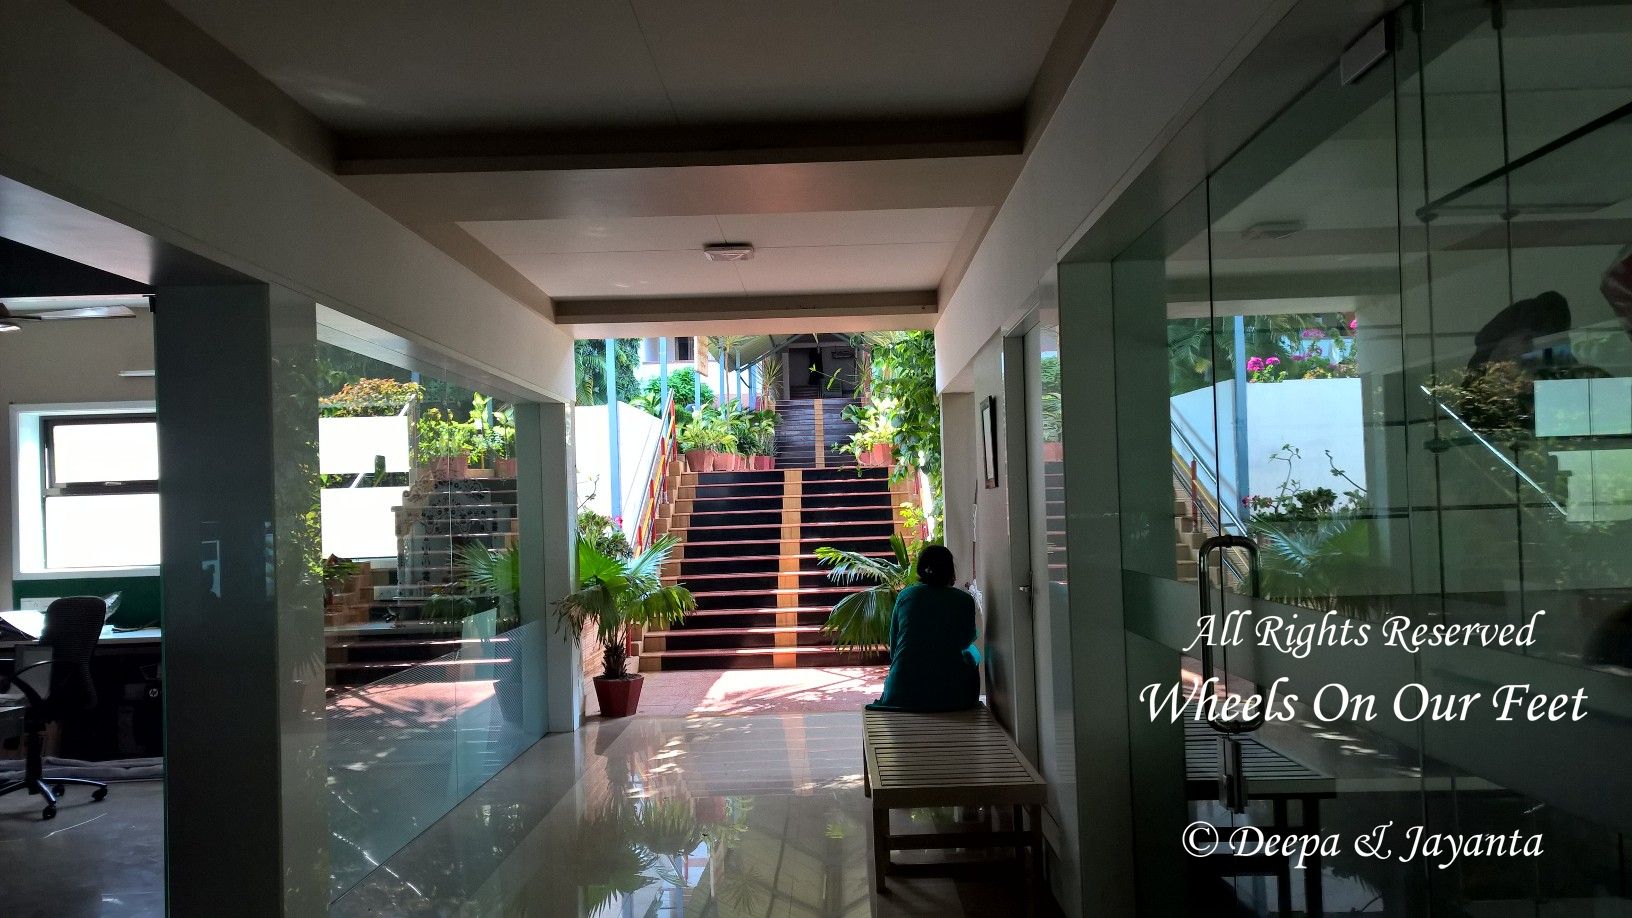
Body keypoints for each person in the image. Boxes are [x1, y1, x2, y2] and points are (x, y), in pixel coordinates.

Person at [865, 545, 980, 712]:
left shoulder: (906, 596)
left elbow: (894, 647)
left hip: (901, 694)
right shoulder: (964, 600)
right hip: (953, 698)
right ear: (950, 570)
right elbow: (966, 639)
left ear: (921, 568)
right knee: (973, 653)